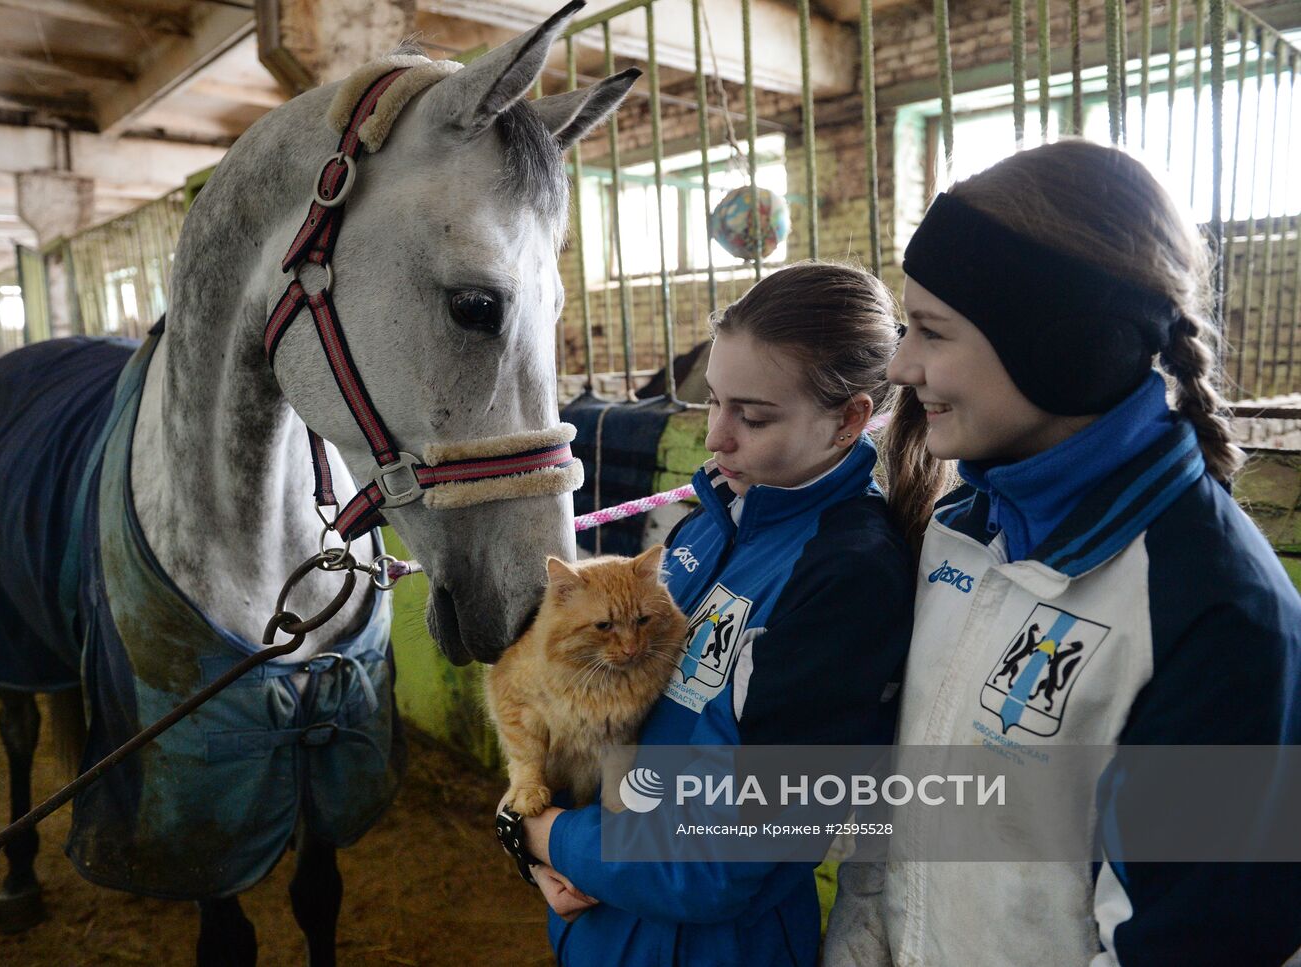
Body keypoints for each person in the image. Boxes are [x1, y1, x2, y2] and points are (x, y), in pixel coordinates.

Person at [823, 140, 1301, 965]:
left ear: (1070, 348)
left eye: (931, 330)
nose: (901, 363)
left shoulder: (1219, 619)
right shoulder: (962, 526)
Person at [507, 261, 946, 966]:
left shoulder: (846, 578)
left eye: (754, 414)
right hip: (606, 922)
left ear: (850, 417)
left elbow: (729, 857)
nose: (716, 436)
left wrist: (545, 834)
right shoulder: (708, 523)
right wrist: (532, 824)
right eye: (714, 400)